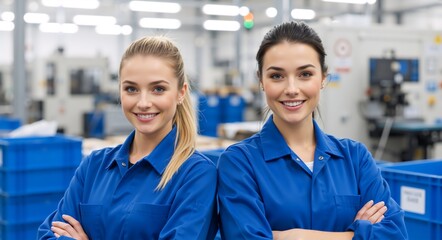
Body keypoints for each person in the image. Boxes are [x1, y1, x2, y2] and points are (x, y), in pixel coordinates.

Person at [217, 21, 407, 240]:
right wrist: (355, 234)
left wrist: (291, 236)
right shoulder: (240, 163)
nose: (291, 89)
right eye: (277, 76)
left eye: (305, 74)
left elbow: (395, 234)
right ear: (261, 80)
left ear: (323, 78)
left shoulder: (355, 158)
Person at [37, 36, 218, 239]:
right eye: (131, 89)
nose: (143, 102)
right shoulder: (94, 166)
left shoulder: (196, 175)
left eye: (158, 89)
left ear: (181, 93)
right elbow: (50, 234)